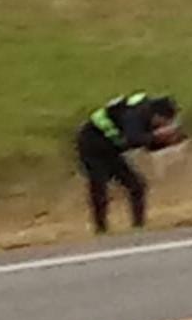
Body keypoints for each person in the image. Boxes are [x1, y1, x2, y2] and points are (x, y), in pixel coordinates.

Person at [75, 92, 184, 234]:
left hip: (111, 147)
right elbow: (133, 139)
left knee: (137, 185)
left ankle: (139, 227)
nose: (163, 126)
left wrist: (169, 142)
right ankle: (101, 229)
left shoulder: (147, 119)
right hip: (91, 143)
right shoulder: (136, 114)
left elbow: (147, 146)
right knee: (99, 186)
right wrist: (157, 136)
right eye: (165, 122)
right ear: (157, 115)